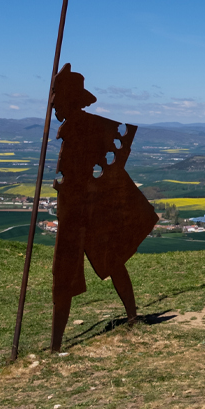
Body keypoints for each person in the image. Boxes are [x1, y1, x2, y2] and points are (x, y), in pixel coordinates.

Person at [49, 64, 157, 352]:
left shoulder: (87, 127)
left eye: (57, 98)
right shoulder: (75, 127)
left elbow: (114, 155)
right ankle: (129, 317)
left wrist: (89, 187)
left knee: (75, 270)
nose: (53, 105)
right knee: (101, 264)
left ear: (69, 99)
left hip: (81, 210)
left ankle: (57, 345)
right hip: (77, 207)